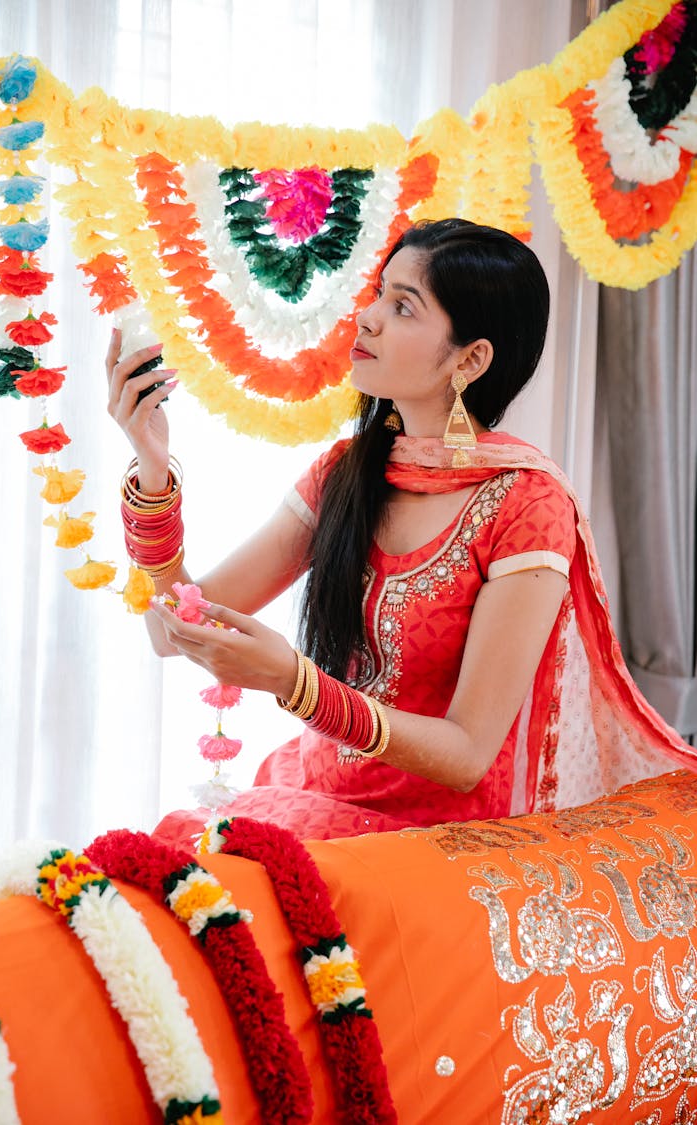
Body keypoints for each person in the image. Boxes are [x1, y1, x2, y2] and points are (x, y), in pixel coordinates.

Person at [106, 218, 695, 847]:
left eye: (402, 306)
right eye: (380, 293)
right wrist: (152, 469)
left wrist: (293, 682)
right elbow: (171, 630)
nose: (367, 317)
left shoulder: (527, 503)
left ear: (471, 359)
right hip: (307, 804)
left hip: (435, 847)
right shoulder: (345, 474)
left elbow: (468, 754)